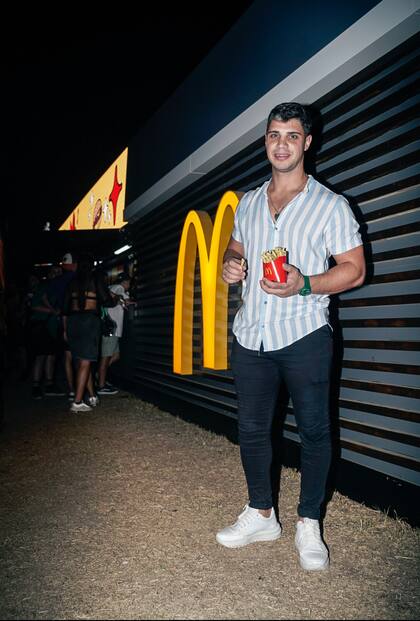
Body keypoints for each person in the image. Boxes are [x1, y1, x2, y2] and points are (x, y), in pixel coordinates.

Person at [218, 102, 365, 570]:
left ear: (307, 142)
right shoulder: (248, 202)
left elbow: (355, 271)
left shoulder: (330, 205)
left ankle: (308, 523)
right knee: (252, 429)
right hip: (251, 336)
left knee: (315, 430)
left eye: (291, 135)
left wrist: (304, 282)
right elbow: (236, 245)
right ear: (266, 142)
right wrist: (230, 263)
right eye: (273, 135)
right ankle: (261, 513)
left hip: (303, 334)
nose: (281, 143)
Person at [63, 252, 115, 413]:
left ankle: (91, 395)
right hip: (89, 322)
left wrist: (65, 330)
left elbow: (64, 308)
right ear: (91, 266)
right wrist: (116, 299)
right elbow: (106, 301)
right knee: (86, 362)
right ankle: (77, 402)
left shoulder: (72, 282)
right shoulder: (95, 280)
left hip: (73, 323)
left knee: (80, 362)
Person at [97, 272, 133, 395]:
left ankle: (99, 375)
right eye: (129, 283)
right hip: (111, 329)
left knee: (115, 356)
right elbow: (127, 300)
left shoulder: (110, 288)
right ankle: (101, 385)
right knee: (106, 357)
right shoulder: (119, 288)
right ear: (125, 282)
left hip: (113, 330)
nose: (129, 286)